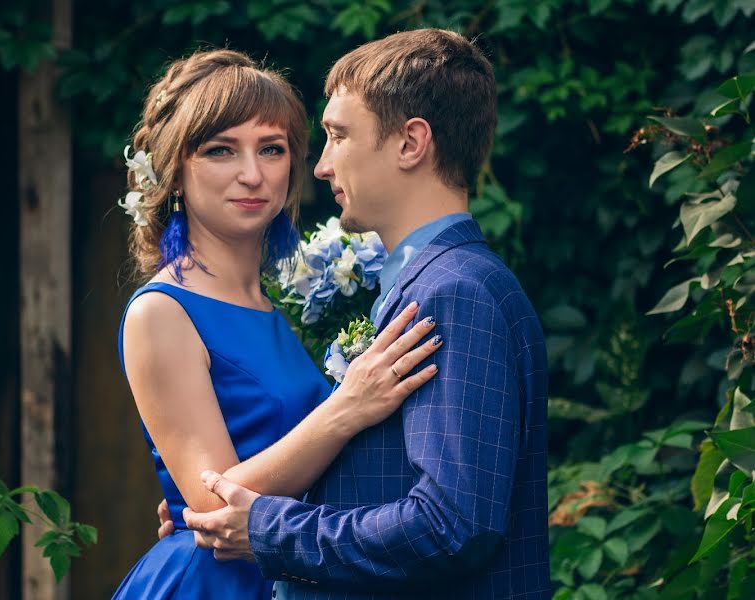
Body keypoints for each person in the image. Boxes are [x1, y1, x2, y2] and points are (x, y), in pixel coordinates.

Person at [179, 29, 551, 599]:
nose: (322, 166)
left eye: (338, 136)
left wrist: (269, 528)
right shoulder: (432, 284)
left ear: (410, 143)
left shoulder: (454, 293)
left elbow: (452, 526)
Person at [112, 49, 444, 599]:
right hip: (215, 582)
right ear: (174, 170)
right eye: (221, 151)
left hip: (292, 569)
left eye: (271, 149)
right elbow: (213, 507)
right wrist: (347, 407)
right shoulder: (162, 310)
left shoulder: (274, 305)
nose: (252, 174)